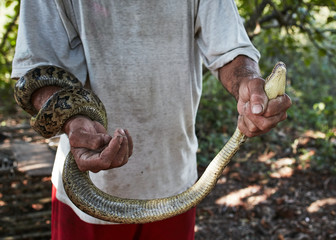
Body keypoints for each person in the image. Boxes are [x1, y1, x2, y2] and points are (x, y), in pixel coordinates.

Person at [12, 0, 291, 239]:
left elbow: (231, 48)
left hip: (175, 184)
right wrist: (73, 121)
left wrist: (248, 82)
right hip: (87, 195)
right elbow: (34, 68)